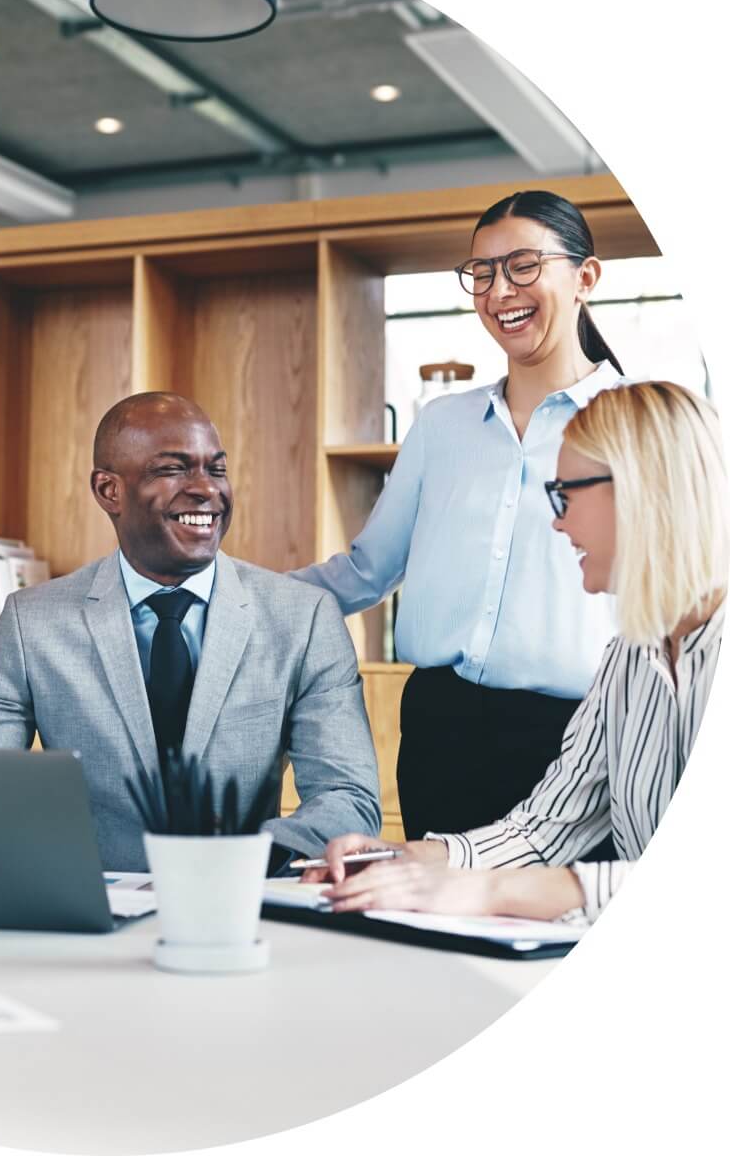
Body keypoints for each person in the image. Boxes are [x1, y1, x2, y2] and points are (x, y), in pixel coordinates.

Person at [304, 381, 726, 923]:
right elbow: (543, 828)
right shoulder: (628, 658)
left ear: (640, 489)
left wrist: (488, 894)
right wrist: (409, 858)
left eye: (566, 495)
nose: (557, 521)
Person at [294, 189, 628, 842]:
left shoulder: (637, 420)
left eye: (524, 265)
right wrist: (238, 599)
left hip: (581, 735)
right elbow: (367, 570)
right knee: (433, 919)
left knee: (560, 927)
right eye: (483, 271)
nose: (501, 290)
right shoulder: (442, 427)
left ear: (585, 277)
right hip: (440, 731)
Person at [0, 392, 381, 872]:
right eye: (173, 470)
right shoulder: (32, 623)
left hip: (241, 904)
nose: (206, 490)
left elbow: (348, 797)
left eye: (216, 470)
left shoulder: (305, 618)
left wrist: (239, 861)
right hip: (91, 910)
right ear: (109, 490)